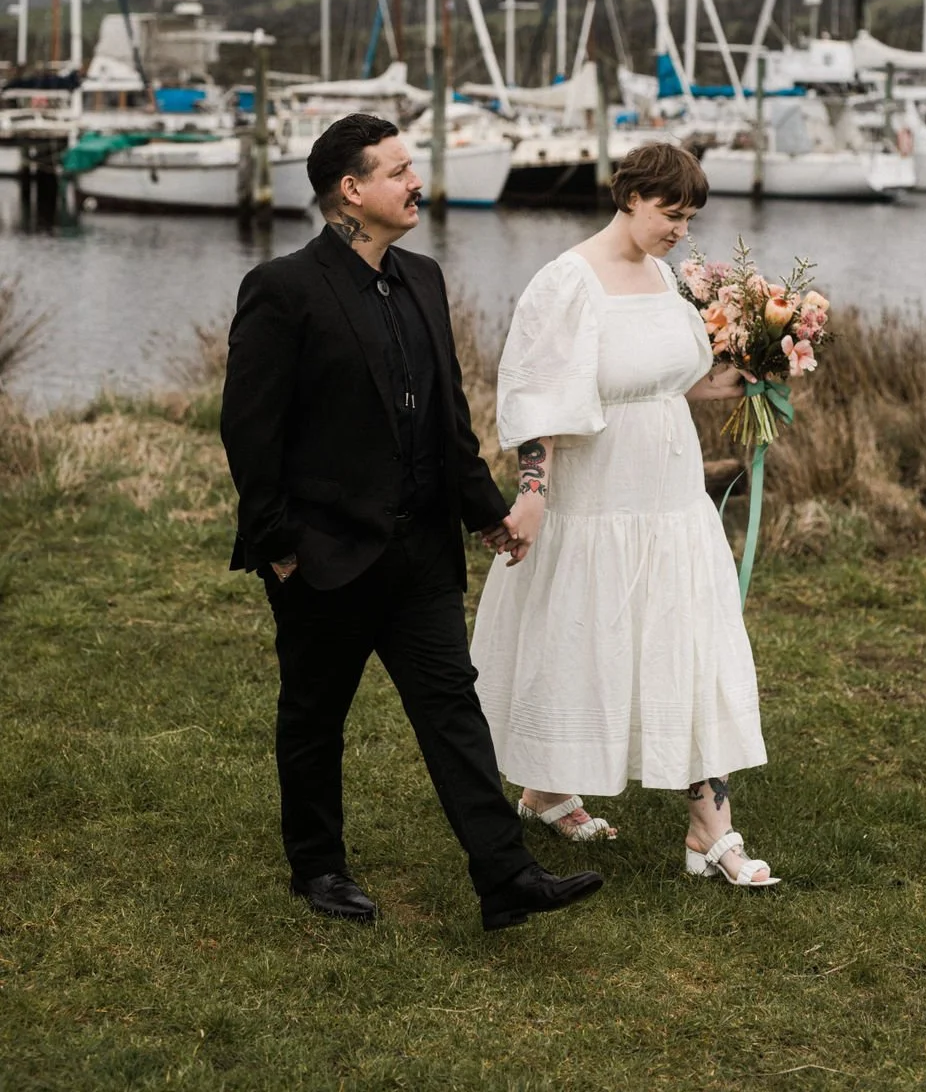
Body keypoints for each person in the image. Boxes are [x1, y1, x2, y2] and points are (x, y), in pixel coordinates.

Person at [220, 112, 602, 930]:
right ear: (351, 192)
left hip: (421, 552)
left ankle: (506, 878)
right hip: (323, 555)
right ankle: (318, 869)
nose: (415, 181)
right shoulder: (283, 289)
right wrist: (279, 547)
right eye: (397, 171)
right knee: (315, 716)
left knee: (453, 710)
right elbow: (250, 432)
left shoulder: (424, 277)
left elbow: (447, 426)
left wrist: (488, 516)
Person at [470, 141, 779, 886]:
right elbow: (539, 396)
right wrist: (534, 495)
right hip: (595, 495)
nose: (680, 229)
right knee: (579, 633)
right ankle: (550, 787)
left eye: (691, 218)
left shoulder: (664, 274)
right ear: (631, 196)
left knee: (685, 638)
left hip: (669, 496)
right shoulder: (567, 282)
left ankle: (708, 828)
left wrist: (737, 382)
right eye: (671, 213)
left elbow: (661, 379)